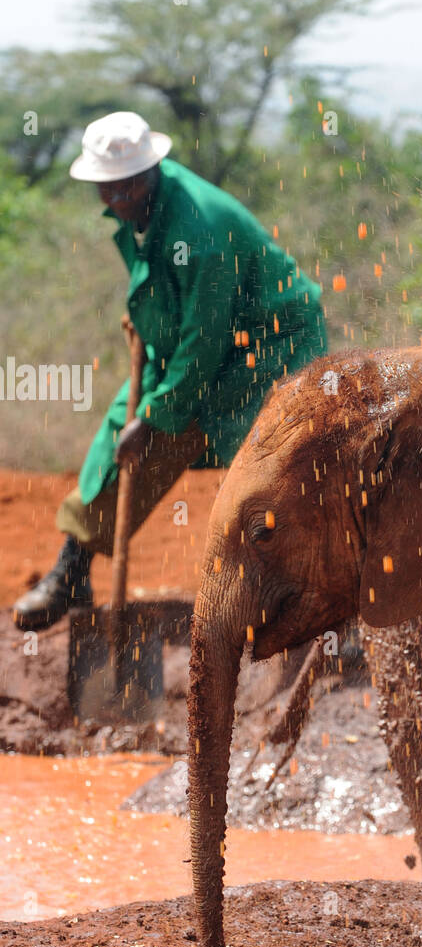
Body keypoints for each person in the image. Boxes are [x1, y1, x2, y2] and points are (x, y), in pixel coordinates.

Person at [13, 111, 327, 630]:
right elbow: (190, 318)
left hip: (270, 343)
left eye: (120, 186)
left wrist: (157, 417)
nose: (111, 199)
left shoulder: (199, 227)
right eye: (103, 187)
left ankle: (314, 598)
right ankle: (71, 573)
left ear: (144, 176)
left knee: (263, 458)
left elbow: (203, 345)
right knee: (119, 433)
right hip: (204, 336)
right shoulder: (146, 207)